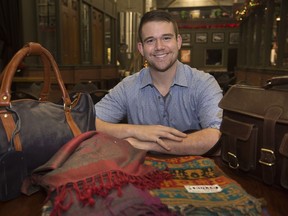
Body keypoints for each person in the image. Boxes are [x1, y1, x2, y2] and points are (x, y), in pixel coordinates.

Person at [95, 10, 223, 156]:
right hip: (143, 174)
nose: (159, 46)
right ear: (141, 49)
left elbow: (217, 137)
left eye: (166, 38)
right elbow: (88, 121)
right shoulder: (127, 87)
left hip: (196, 174)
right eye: (150, 40)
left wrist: (146, 144)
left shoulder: (204, 83)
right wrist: (135, 131)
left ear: (179, 42)